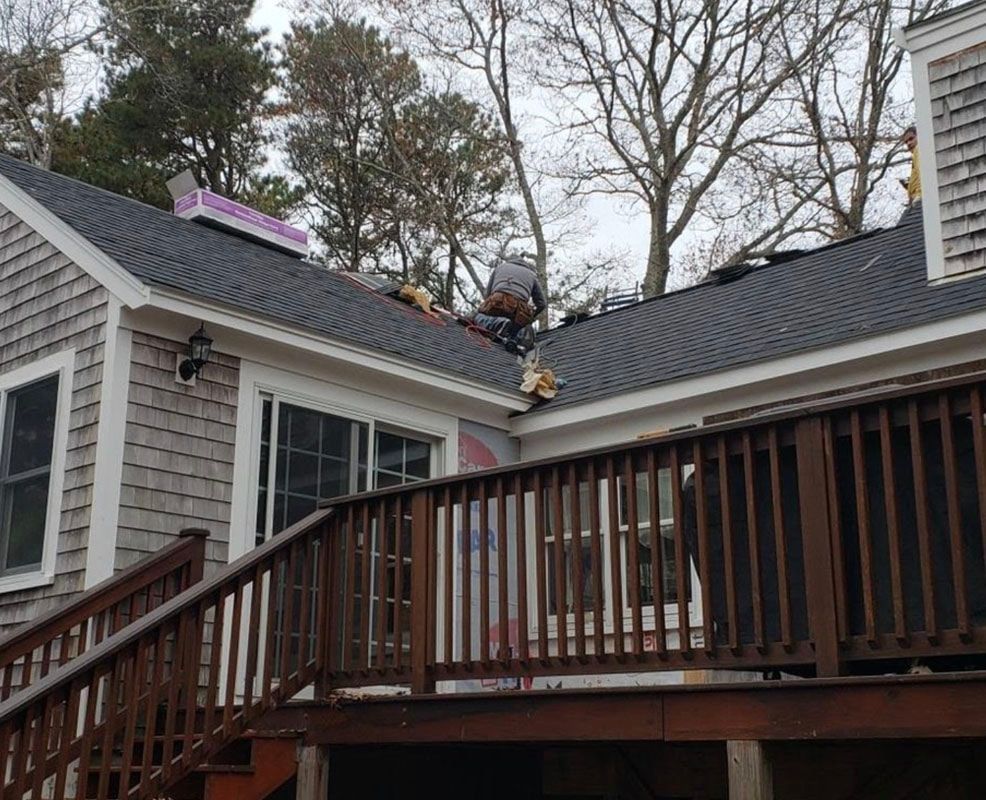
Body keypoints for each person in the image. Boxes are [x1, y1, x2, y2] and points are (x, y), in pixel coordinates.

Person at [473, 254, 546, 353]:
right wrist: (531, 318)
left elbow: (488, 295)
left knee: (477, 317)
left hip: (497, 303)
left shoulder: (500, 267)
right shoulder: (532, 275)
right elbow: (542, 304)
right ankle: (513, 336)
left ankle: (499, 323)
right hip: (518, 312)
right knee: (522, 329)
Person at [901, 125, 921, 204]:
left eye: (911, 139)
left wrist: (919, 195)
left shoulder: (918, 149)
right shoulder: (916, 154)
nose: (908, 143)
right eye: (906, 142)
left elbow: (923, 174)